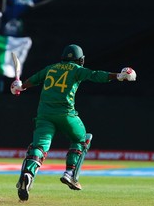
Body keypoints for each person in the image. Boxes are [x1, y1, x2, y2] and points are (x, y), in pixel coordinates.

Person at [10, 44, 137, 201]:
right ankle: (70, 173)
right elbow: (95, 75)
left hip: (44, 115)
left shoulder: (51, 68)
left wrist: (20, 86)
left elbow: (33, 80)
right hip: (66, 114)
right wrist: (118, 75)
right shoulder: (76, 69)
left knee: (39, 147)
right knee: (81, 138)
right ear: (80, 59)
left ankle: (28, 173)